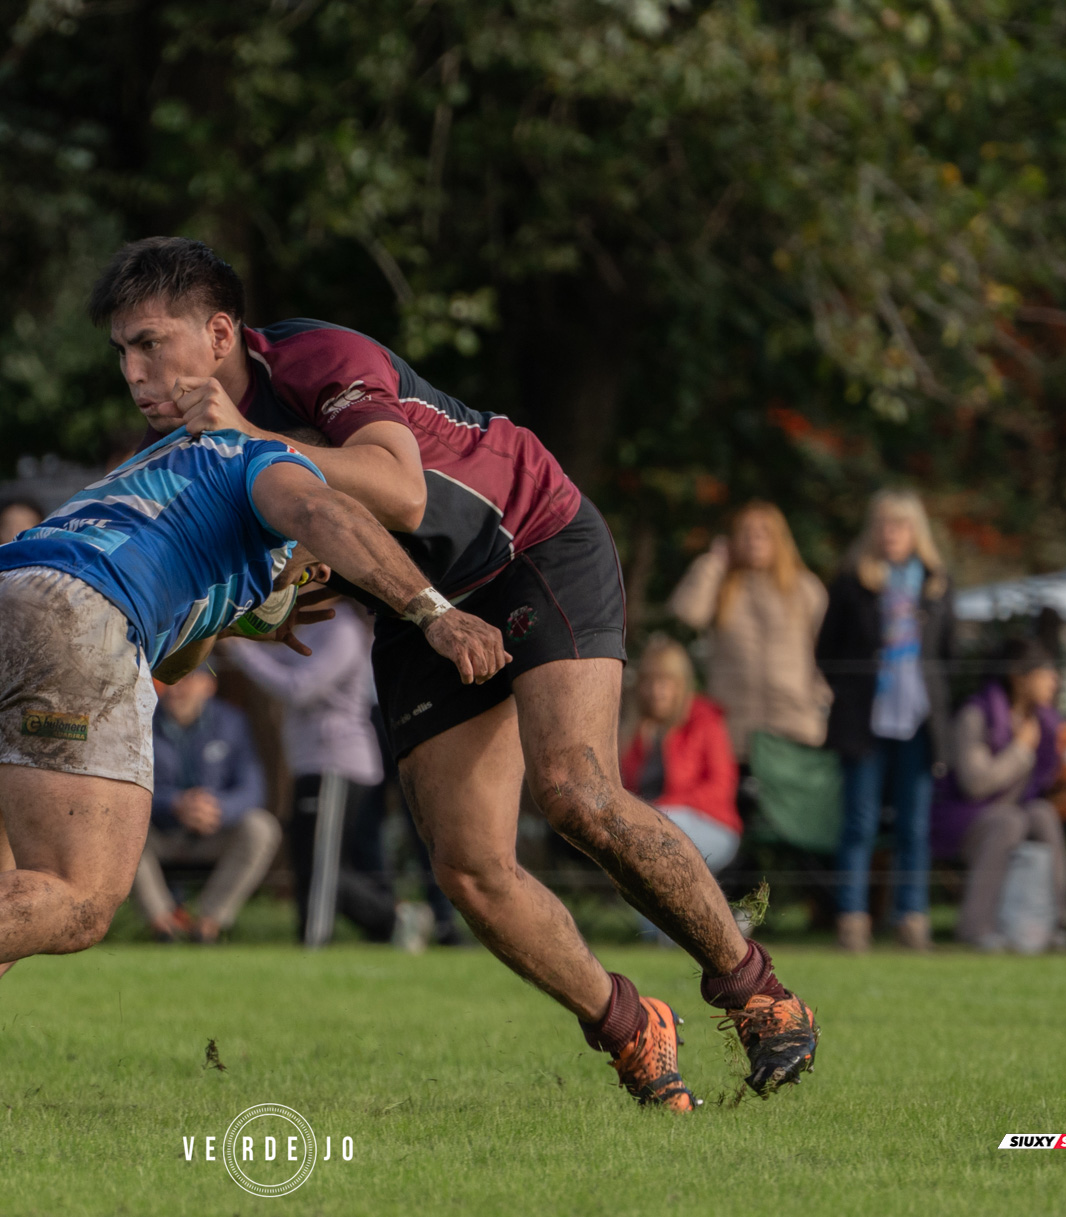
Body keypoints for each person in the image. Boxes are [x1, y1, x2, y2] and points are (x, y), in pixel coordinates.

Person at [82, 237, 816, 1107]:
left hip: (532, 542)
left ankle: (755, 987)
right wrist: (243, 614)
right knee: (468, 867)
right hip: (415, 607)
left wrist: (252, 438)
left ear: (217, 333)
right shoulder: (174, 451)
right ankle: (628, 1024)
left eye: (150, 343)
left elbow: (402, 493)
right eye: (121, 350)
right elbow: (194, 636)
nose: (133, 370)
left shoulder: (319, 356)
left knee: (574, 789)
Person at [0, 416, 509, 1119]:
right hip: (65, 617)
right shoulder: (270, 461)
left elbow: (175, 654)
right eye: (322, 564)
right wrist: (432, 611)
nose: (321, 572)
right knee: (82, 898)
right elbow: (321, 508)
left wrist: (241, 607)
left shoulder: (171, 476)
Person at [816, 489, 954, 953]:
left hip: (920, 722)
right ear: (872, 531)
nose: (892, 534)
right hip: (864, 721)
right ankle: (852, 919)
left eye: (901, 525)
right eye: (884, 525)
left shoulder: (937, 584)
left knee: (915, 825)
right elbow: (826, 652)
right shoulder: (852, 582)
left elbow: (948, 656)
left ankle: (912, 916)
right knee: (860, 822)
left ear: (917, 532)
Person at [222, 604, 410, 944]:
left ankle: (315, 939)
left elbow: (300, 688)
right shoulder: (313, 629)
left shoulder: (344, 631)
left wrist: (242, 651)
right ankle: (394, 920)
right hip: (311, 762)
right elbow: (284, 666)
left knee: (320, 864)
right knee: (310, 860)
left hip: (337, 762)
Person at [932, 638, 1066, 951]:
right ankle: (976, 926)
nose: (1054, 680)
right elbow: (975, 784)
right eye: (1046, 673)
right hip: (959, 817)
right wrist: (1020, 749)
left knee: (1043, 814)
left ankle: (1056, 924)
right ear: (1019, 677)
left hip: (1010, 813)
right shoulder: (976, 715)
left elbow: (1042, 781)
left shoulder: (1044, 722)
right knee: (1009, 821)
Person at [129, 666, 280, 943]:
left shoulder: (232, 722)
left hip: (214, 830)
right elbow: (128, 785)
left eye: (186, 679)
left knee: (261, 827)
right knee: (121, 826)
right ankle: (163, 924)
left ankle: (209, 923)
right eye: (170, 679)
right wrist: (174, 803)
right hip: (159, 832)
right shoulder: (141, 719)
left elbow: (252, 789)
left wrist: (217, 807)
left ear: (208, 685)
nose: (176, 688)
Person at [669, 502, 829, 758]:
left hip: (793, 724)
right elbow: (688, 614)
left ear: (780, 540)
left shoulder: (805, 588)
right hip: (733, 727)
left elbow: (829, 648)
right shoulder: (722, 585)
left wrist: (820, 700)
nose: (754, 541)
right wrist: (713, 562)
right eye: (746, 533)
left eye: (763, 533)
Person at [618, 638, 742, 940]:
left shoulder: (705, 719)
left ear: (681, 684)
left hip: (709, 823)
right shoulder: (631, 728)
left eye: (665, 682)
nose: (657, 691)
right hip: (647, 830)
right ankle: (709, 929)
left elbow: (721, 787)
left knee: (657, 834)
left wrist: (663, 808)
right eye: (649, 682)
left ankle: (706, 929)